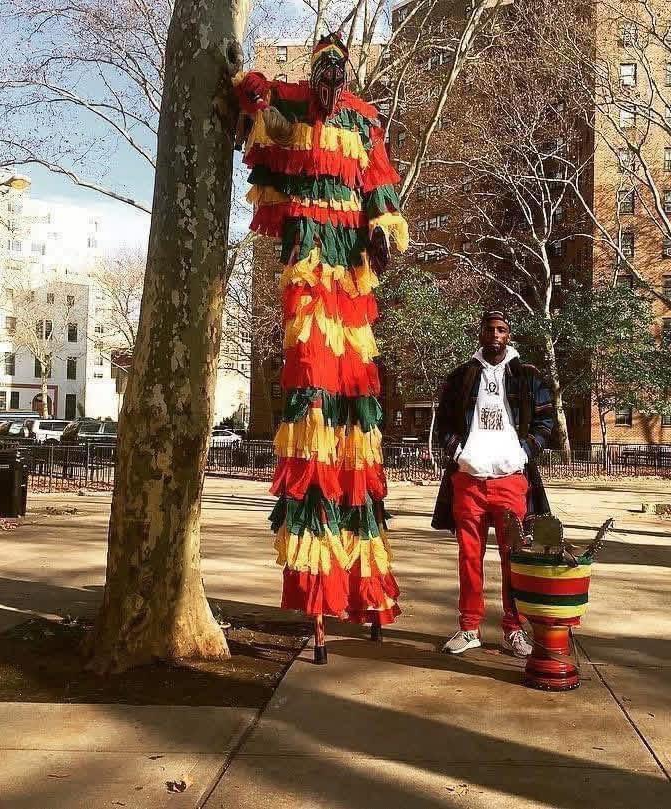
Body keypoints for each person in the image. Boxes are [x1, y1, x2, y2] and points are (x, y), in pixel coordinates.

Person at [232, 33, 409, 639]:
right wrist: (251, 90)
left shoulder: (362, 119)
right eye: (322, 62)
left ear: (349, 70)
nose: (331, 69)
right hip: (309, 264)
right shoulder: (296, 103)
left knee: (356, 399)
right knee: (311, 383)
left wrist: (384, 225)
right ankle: (317, 593)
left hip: (351, 276)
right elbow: (257, 103)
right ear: (314, 69)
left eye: (340, 62)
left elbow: (380, 184)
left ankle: (361, 581)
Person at [432, 310, 553, 657]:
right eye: (490, 329)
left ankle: (513, 630)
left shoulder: (528, 376)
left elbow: (546, 422)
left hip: (510, 480)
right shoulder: (461, 377)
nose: (495, 334)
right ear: (480, 333)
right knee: (469, 557)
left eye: (502, 329)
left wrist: (524, 454)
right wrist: (459, 455)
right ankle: (469, 627)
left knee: (512, 558)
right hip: (469, 480)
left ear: (509, 334)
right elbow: (443, 424)